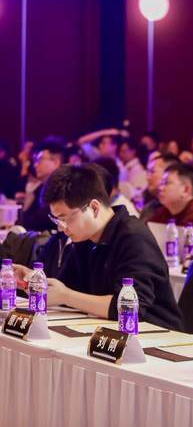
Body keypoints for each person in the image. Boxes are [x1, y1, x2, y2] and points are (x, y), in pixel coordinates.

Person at [13, 164, 182, 330]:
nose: (61, 228)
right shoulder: (84, 238)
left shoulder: (133, 237)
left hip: (156, 335)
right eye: (57, 220)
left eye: (64, 219)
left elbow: (131, 308)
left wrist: (66, 296)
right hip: (106, 330)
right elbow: (68, 287)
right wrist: (34, 280)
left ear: (94, 208)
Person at [148, 163, 193, 234]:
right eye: (162, 183)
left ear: (185, 190)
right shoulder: (164, 211)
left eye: (166, 183)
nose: (160, 188)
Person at [19, 140, 65, 231]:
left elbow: (38, 221)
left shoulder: (62, 189)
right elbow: (26, 219)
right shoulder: (40, 188)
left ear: (56, 162)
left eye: (39, 160)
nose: (35, 165)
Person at [140, 153, 179, 221]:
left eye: (152, 171)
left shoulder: (180, 208)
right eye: (148, 172)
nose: (147, 177)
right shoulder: (149, 208)